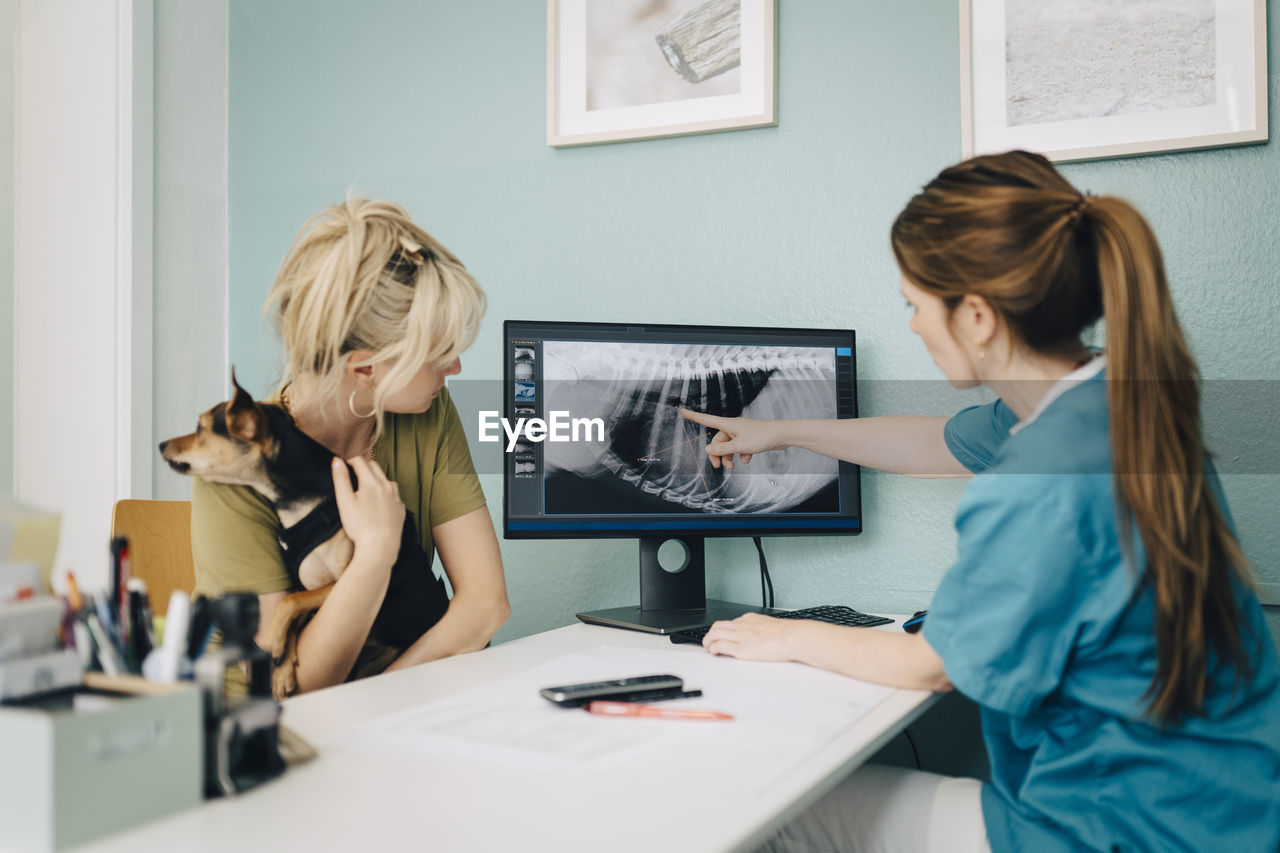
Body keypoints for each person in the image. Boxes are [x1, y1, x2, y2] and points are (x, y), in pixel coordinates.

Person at [682, 151, 1280, 853]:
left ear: (975, 314)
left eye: (915, 303)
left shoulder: (1041, 472)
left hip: (1125, 829)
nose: (911, 325)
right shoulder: (1116, 401)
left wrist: (782, 633)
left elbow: (929, 666)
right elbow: (933, 441)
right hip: (1227, 805)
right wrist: (781, 428)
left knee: (773, 808)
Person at [191, 198, 509, 695]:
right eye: (439, 356)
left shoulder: (427, 412)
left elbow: (486, 605)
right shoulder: (236, 463)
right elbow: (299, 687)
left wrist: (390, 703)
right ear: (365, 369)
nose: (456, 370)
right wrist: (377, 551)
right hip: (268, 736)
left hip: (398, 707)